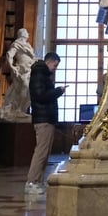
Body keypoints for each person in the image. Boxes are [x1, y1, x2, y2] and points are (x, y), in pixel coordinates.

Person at [25, 51, 68, 195]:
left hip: (47, 118)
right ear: (49, 61)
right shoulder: (39, 75)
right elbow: (41, 96)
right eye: (55, 66)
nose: (55, 69)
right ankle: (32, 182)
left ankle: (38, 181)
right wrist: (58, 91)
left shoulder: (42, 75)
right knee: (41, 152)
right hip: (43, 119)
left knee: (45, 152)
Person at [0, 28, 36, 121]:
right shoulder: (17, 44)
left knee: (28, 91)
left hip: (29, 70)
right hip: (21, 70)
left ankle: (22, 110)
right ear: (22, 34)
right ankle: (18, 109)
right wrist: (11, 66)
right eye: (27, 32)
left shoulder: (28, 45)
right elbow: (9, 55)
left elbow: (31, 58)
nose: (28, 34)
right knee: (24, 87)